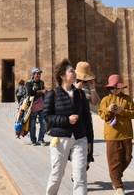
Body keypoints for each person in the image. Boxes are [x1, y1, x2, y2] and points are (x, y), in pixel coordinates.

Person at [44, 59, 93, 195]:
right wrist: (66, 120)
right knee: (57, 173)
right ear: (62, 75)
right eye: (71, 71)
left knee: (80, 176)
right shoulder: (52, 94)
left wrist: (90, 140)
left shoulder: (80, 94)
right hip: (60, 139)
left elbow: (87, 120)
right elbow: (47, 117)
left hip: (80, 138)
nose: (74, 73)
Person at [99, 74, 134, 195]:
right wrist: (108, 110)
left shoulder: (128, 99)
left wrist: (122, 111)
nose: (114, 90)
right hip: (112, 135)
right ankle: (118, 185)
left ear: (121, 87)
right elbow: (103, 116)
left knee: (127, 157)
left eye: (117, 87)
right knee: (113, 160)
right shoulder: (105, 100)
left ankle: (115, 176)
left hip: (126, 133)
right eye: (112, 88)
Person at [74, 61, 100, 170]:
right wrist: (77, 89)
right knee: (77, 148)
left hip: (87, 120)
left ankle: (86, 162)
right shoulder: (71, 86)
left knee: (88, 142)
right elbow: (67, 101)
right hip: (75, 120)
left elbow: (95, 102)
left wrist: (93, 88)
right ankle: (77, 172)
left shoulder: (89, 87)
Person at [25, 67, 47, 146]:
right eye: (37, 74)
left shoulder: (41, 82)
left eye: (39, 74)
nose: (39, 75)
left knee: (44, 123)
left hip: (41, 106)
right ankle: (33, 140)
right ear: (33, 74)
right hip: (32, 107)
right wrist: (41, 91)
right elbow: (30, 93)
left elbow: (43, 93)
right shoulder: (29, 83)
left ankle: (41, 139)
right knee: (33, 125)